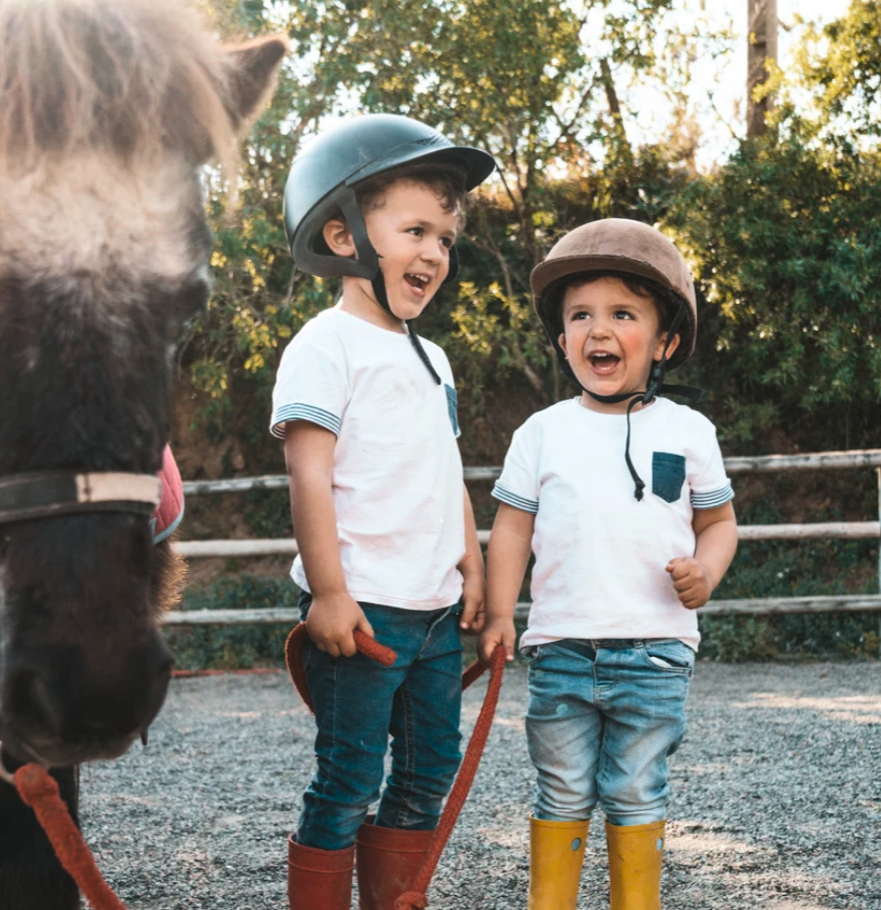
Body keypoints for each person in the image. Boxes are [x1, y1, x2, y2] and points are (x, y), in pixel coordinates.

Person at [478, 219, 738, 910]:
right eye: (580, 315)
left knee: (635, 791)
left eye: (623, 314)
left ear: (665, 341)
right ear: (562, 338)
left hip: (656, 651)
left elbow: (717, 523)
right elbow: (511, 528)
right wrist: (500, 614)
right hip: (560, 647)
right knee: (560, 790)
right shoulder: (540, 433)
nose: (599, 329)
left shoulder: (688, 431)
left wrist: (706, 572)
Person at [270, 114, 495, 910]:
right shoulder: (323, 345)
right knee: (349, 778)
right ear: (341, 237)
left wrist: (473, 567)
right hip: (363, 610)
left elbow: (445, 473)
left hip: (434, 613)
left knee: (429, 771)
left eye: (444, 238)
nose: (433, 253)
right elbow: (308, 474)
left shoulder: (433, 358)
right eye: (415, 231)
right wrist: (329, 592)